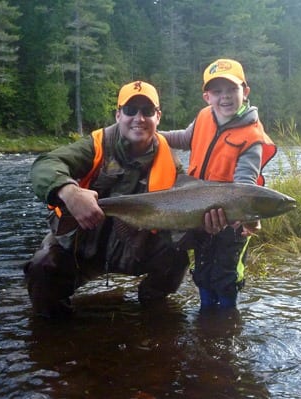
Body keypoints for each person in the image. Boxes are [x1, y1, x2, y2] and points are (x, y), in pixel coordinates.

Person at [24, 80, 190, 318]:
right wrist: (69, 191)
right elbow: (45, 165)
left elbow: (184, 207)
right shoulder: (95, 145)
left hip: (132, 248)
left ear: (158, 116)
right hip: (81, 245)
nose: (139, 118)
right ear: (118, 114)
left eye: (147, 111)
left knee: (177, 257)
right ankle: (54, 332)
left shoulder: (170, 162)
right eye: (131, 110)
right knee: (42, 266)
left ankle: (150, 309)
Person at [161, 58, 277, 309]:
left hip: (233, 222)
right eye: (217, 91)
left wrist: (246, 217)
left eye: (231, 90)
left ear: (244, 92)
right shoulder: (204, 116)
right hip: (201, 214)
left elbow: (245, 182)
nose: (225, 97)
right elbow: (183, 138)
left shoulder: (252, 137)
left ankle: (226, 321)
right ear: (207, 97)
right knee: (203, 270)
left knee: (225, 275)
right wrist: (154, 136)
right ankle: (206, 315)